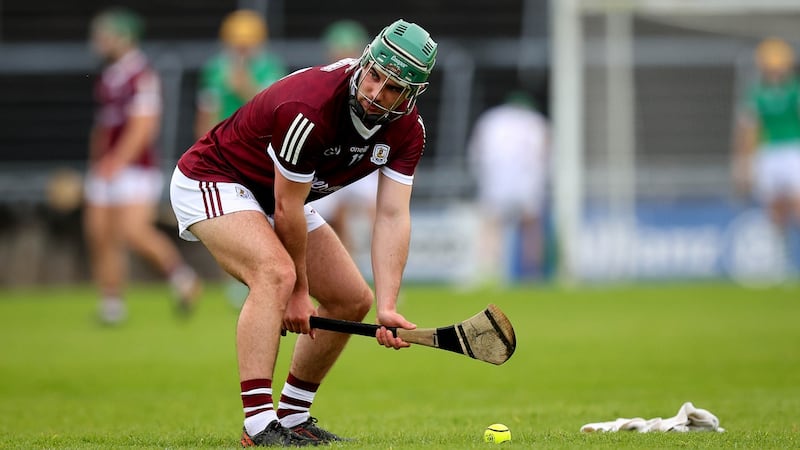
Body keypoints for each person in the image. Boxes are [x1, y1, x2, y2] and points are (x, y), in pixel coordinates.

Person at [169, 19, 437, 446]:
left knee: (353, 300)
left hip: (279, 196)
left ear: (411, 95)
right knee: (275, 274)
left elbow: (391, 216)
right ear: (365, 61)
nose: (374, 92)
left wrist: (388, 305)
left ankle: (294, 416)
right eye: (374, 76)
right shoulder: (310, 107)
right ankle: (258, 425)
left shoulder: (408, 131)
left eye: (391, 88)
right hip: (216, 178)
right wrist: (298, 292)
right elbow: (287, 205)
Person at [85, 7, 201, 324]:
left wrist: (116, 161)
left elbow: (144, 126)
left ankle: (183, 278)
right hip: (107, 166)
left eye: (105, 34)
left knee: (133, 232)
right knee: (99, 232)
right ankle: (111, 303)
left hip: (135, 168)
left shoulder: (141, 75)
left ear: (123, 37)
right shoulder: (110, 76)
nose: (99, 40)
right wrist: (97, 164)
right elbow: (104, 127)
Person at [309, 20, 378, 255]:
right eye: (340, 49)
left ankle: (382, 263)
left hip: (362, 162)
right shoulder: (320, 84)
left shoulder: (374, 87)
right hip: (328, 164)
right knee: (331, 218)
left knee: (378, 207)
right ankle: (349, 268)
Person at [467, 90, 550, 285]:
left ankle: (488, 272)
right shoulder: (537, 122)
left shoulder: (490, 119)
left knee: (491, 226)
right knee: (531, 226)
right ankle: (532, 274)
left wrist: (480, 176)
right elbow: (546, 156)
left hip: (496, 182)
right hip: (527, 183)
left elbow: (476, 153)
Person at [733, 37, 800, 264]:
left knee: (798, 206)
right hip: (769, 153)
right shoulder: (756, 94)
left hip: (793, 150)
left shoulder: (795, 91)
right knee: (776, 211)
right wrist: (744, 165)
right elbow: (749, 131)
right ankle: (782, 260)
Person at [194, 9, 287, 139]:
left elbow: (273, 111)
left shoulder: (271, 68)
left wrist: (245, 87)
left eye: (247, 46)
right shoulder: (215, 69)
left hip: (259, 141)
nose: (242, 52)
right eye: (238, 46)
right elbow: (206, 115)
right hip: (224, 140)